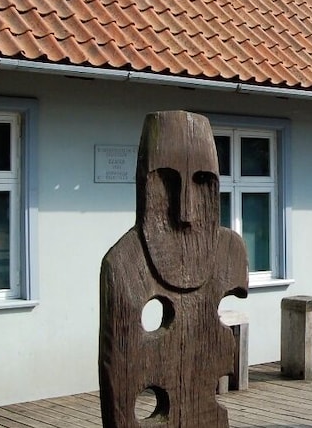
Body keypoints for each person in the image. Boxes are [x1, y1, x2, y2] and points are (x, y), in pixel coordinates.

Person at [98, 111, 248, 427]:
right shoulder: (124, 265)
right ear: (145, 183)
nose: (185, 211)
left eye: (203, 182)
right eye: (166, 182)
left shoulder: (230, 252)